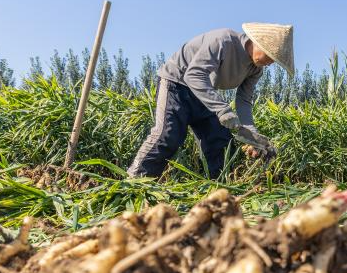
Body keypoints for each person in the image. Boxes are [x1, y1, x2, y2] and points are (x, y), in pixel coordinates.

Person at [126, 23, 294, 178]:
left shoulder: (255, 69)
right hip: (176, 84)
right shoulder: (224, 41)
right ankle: (134, 183)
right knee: (168, 135)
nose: (270, 63)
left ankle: (217, 193)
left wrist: (252, 135)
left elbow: (244, 100)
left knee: (219, 142)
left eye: (274, 60)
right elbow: (194, 75)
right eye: (270, 55)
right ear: (258, 42)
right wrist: (223, 110)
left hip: (205, 92)